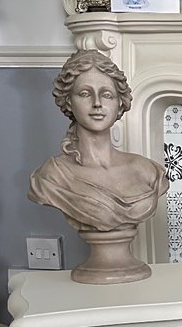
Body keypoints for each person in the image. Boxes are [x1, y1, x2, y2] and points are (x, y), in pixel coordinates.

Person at [29, 50, 168, 234]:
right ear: (69, 101)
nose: (97, 103)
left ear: (120, 102)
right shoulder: (51, 176)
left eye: (107, 95)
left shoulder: (149, 171)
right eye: (85, 93)